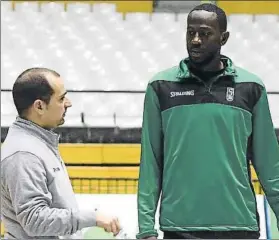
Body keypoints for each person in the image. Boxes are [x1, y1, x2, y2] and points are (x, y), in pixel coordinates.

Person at [136, 3, 279, 239]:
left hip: (239, 226)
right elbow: (150, 162)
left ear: (224, 38)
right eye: (191, 32)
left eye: (204, 33)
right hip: (179, 228)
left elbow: (270, 167)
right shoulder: (160, 87)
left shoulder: (251, 88)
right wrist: (146, 228)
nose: (195, 40)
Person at [1, 68, 121, 239]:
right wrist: (91, 218)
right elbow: (34, 220)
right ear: (39, 106)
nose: (69, 103)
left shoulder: (37, 143)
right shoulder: (24, 154)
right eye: (61, 98)